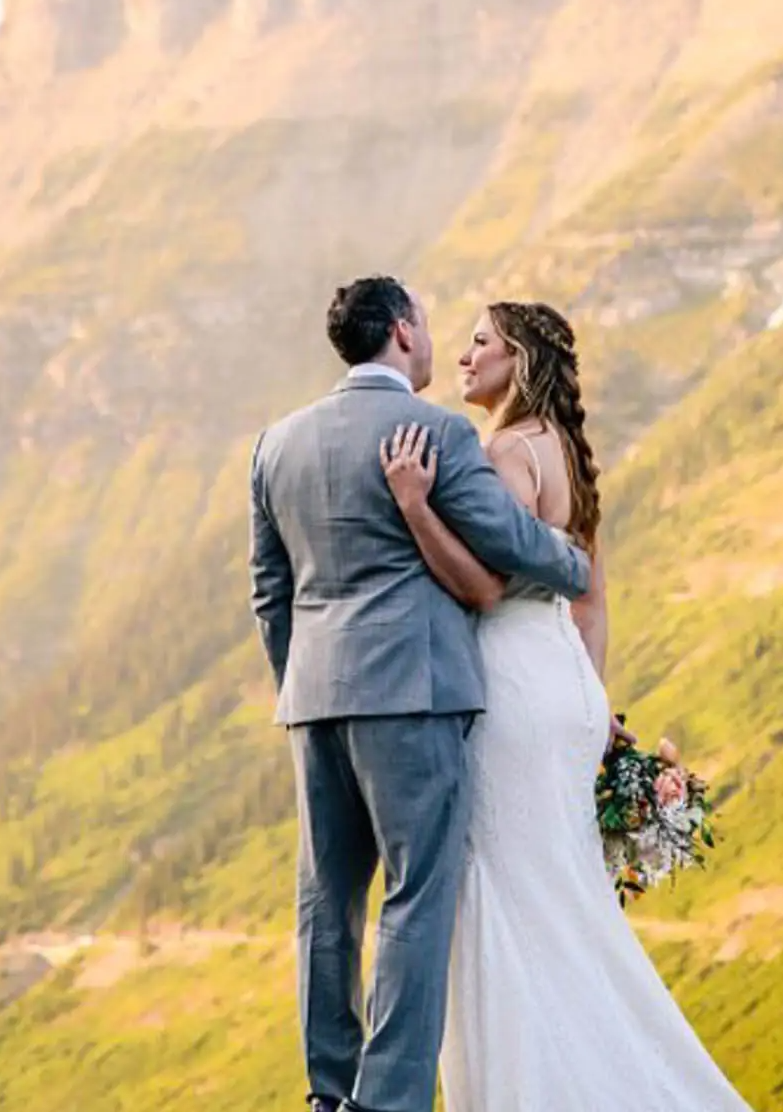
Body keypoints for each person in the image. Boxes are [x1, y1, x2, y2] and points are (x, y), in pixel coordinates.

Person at [381, 299, 754, 1112]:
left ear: (520, 360)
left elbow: (483, 589)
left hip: (510, 684)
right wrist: (591, 706)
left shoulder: (506, 453)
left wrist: (414, 507)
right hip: (563, 685)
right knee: (564, 893)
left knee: (504, 891)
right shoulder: (571, 460)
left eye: (482, 344)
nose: (467, 357)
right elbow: (590, 603)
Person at [249, 276, 591, 1112]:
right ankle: (390, 1100)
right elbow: (508, 537)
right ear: (402, 332)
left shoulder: (276, 444)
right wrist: (572, 564)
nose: (442, 346)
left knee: (327, 904)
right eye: (433, 329)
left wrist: (304, 679)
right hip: (414, 696)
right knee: (416, 891)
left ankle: (329, 1093)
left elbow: (271, 591)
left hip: (314, 701)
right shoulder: (433, 432)